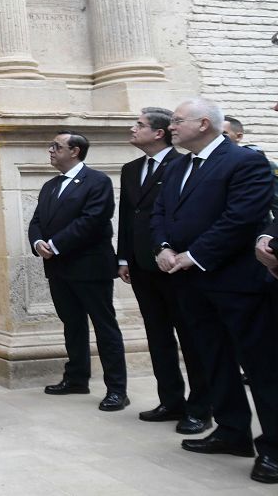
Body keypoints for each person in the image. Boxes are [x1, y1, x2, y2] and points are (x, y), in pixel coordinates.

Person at [152, 98, 278, 484]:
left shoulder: (244, 161)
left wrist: (194, 255)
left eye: (176, 121)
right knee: (212, 358)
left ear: (203, 123)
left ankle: (274, 447)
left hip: (236, 283)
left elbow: (240, 218)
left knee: (261, 367)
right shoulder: (178, 166)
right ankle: (231, 430)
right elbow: (161, 211)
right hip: (189, 282)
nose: (171, 127)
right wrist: (163, 248)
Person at [117, 108, 210, 433]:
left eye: (139, 125)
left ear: (159, 133)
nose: (133, 129)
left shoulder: (183, 165)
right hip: (142, 267)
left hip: (175, 266)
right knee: (158, 337)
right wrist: (124, 259)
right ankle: (171, 400)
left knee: (191, 337)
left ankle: (200, 407)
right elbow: (128, 217)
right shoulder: (130, 169)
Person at [28, 131, 128, 412]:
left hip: (90, 267)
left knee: (105, 328)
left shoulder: (98, 182)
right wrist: (38, 243)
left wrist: (56, 244)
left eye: (56, 146)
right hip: (59, 269)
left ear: (75, 151)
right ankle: (76, 378)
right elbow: (37, 221)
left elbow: (93, 221)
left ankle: (117, 390)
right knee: (72, 325)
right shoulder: (50, 186)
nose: (50, 150)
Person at [221, 115, 278, 219]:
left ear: (238, 136)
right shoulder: (203, 162)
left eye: (224, 134)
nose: (218, 138)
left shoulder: (258, 164)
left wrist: (270, 233)